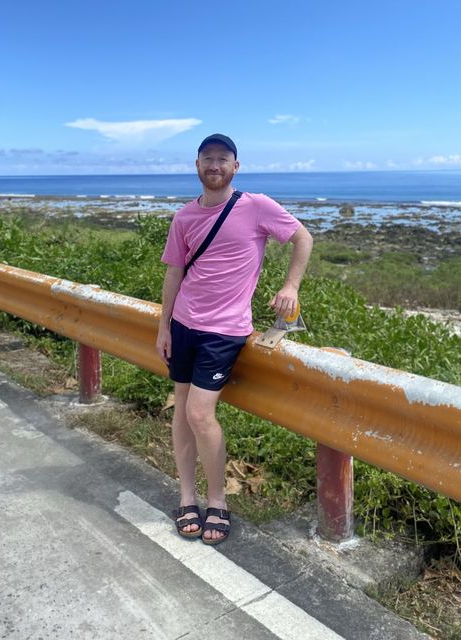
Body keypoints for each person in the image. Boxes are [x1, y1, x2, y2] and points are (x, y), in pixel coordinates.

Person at [156, 133, 313, 545]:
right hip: (184, 325)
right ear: (197, 165)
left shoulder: (256, 206)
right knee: (182, 411)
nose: (214, 165)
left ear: (235, 167)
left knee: (200, 414)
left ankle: (217, 501)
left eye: (222, 159)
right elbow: (174, 273)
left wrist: (291, 286)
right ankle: (186, 497)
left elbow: (302, 238)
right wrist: (164, 327)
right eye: (207, 159)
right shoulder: (184, 217)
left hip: (225, 331)